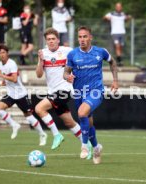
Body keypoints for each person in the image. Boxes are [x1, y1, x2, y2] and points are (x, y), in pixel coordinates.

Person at [64, 26, 118, 164]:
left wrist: (115, 81)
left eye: (85, 36)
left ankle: (84, 146)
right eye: (80, 37)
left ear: (90, 37)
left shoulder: (100, 52)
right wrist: (67, 77)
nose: (82, 39)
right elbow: (65, 72)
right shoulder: (72, 55)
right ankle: (96, 147)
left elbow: (113, 62)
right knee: (88, 122)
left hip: (96, 91)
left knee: (82, 113)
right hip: (79, 93)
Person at [35, 28, 92, 157]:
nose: (51, 41)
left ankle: (56, 135)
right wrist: (40, 60)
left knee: (39, 108)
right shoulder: (43, 53)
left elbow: (79, 63)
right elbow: (39, 75)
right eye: (48, 39)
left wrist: (76, 76)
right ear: (46, 41)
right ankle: (86, 145)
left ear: (58, 40)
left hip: (65, 90)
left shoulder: (67, 51)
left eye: (53, 39)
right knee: (69, 122)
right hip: (53, 91)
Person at [0, 44, 47, 146]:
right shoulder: (0, 63)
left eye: (4, 52)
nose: (2, 54)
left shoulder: (12, 63)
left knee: (29, 117)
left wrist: (1, 75)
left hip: (21, 94)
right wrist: (4, 81)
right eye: (0, 53)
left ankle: (42, 134)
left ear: (7, 53)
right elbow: (7, 77)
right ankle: (14, 125)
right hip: (11, 94)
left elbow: (14, 79)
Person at [103, 2, 131, 67]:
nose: (118, 8)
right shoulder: (111, 14)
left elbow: (127, 18)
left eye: (119, 6)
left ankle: (119, 59)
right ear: (116, 7)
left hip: (122, 32)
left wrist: (128, 17)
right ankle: (119, 61)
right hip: (115, 33)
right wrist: (107, 18)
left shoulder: (123, 14)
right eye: (117, 6)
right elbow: (104, 17)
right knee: (117, 46)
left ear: (121, 7)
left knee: (120, 47)